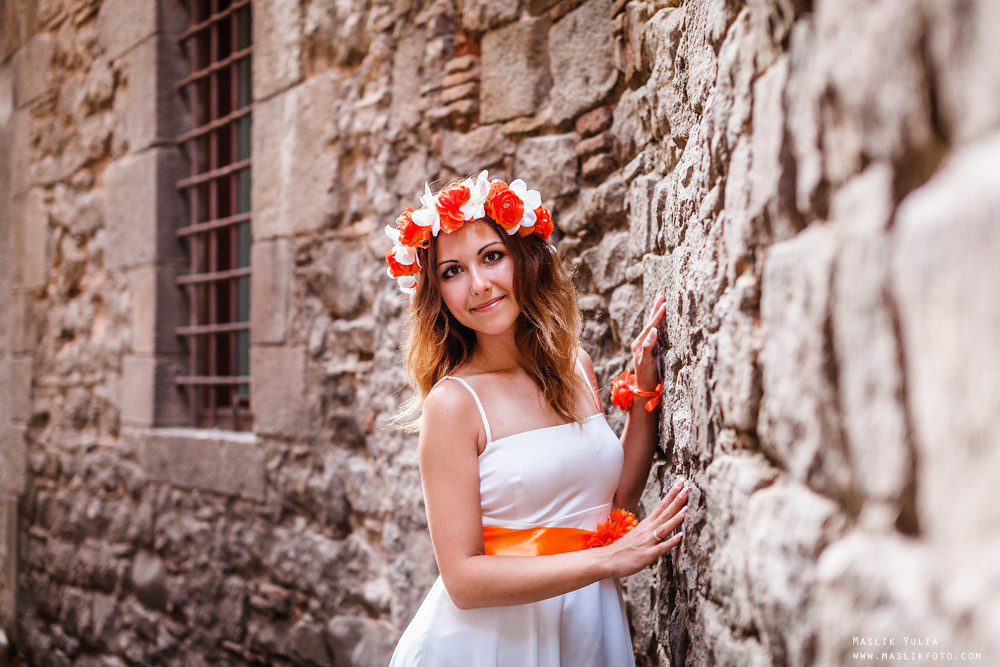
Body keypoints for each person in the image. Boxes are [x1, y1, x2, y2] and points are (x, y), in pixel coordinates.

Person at [385, 171, 689, 666]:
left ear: (523, 258)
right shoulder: (454, 405)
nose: (479, 285)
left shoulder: (576, 367)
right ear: (436, 292)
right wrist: (606, 561)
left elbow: (613, 504)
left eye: (491, 256)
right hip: (492, 645)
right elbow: (462, 580)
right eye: (452, 271)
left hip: (587, 626)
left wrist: (645, 389)